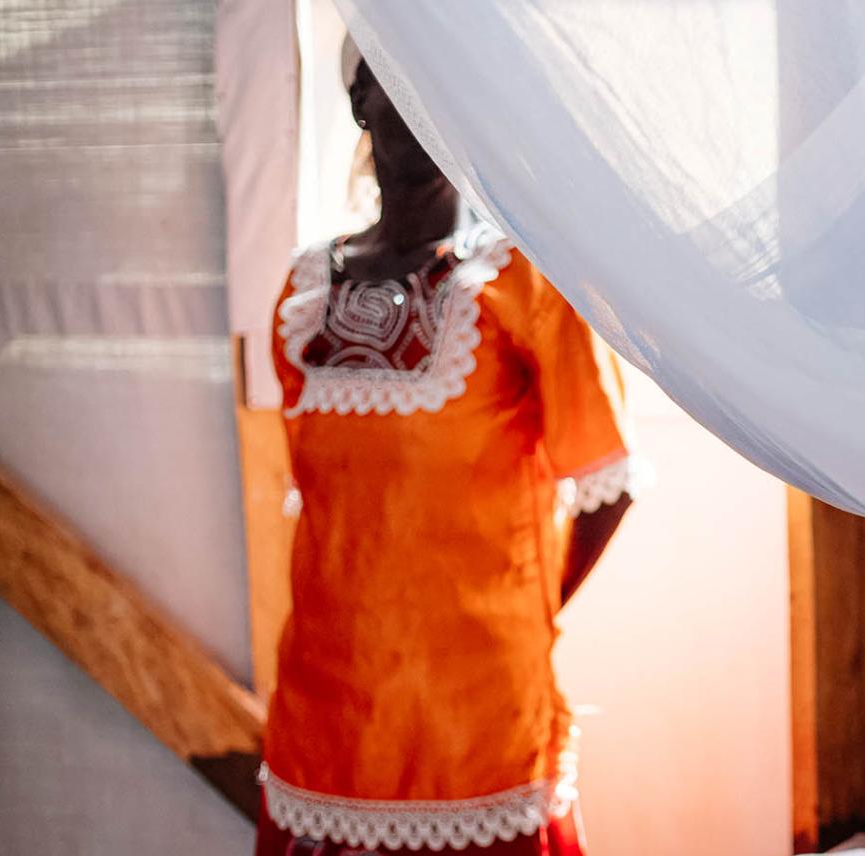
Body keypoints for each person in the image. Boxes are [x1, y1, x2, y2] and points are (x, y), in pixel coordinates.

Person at [255, 39, 645, 856]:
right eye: (402, 82)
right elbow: (329, 502)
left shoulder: (525, 281)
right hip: (327, 706)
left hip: (478, 717)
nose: (428, 108)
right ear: (362, 100)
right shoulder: (302, 292)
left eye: (445, 85)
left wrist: (514, 617)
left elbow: (609, 483)